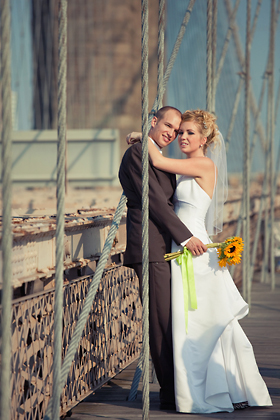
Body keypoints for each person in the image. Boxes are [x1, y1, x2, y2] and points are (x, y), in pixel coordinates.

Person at [142, 109, 272, 413]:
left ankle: (217, 389)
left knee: (204, 320)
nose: (182, 137)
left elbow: (157, 160)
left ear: (204, 139)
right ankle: (222, 387)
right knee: (196, 320)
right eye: (180, 132)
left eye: (189, 133)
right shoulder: (185, 167)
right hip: (184, 248)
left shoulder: (202, 164)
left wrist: (141, 138)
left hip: (196, 250)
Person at [118, 106, 207, 410]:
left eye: (178, 129)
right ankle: (171, 394)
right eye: (168, 126)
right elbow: (155, 202)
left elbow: (162, 186)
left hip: (164, 247)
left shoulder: (151, 150)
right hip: (151, 247)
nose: (172, 133)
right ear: (154, 122)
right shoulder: (137, 155)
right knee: (160, 323)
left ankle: (180, 385)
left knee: (171, 319)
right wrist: (185, 236)